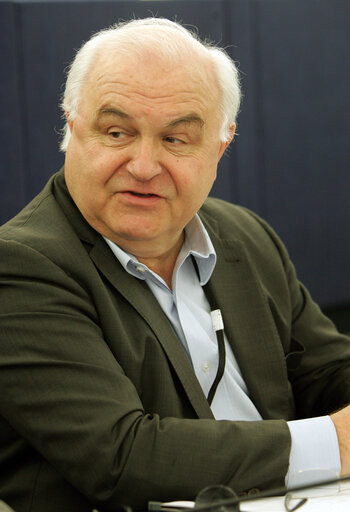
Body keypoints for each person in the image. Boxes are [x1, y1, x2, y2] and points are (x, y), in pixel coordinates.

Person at [0, 16, 350, 512]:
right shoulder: (20, 266)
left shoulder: (245, 236)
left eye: (175, 139)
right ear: (72, 125)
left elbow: (326, 371)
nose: (143, 167)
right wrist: (336, 443)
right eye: (117, 132)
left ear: (221, 145)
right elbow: (123, 456)